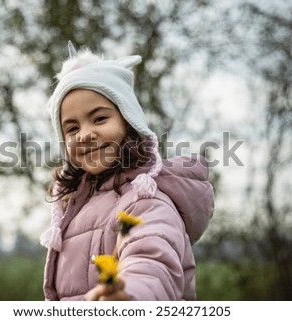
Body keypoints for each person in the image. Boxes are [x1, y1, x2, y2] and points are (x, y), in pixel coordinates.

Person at [40, 41, 214, 301]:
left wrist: (129, 297)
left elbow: (152, 266)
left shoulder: (145, 202)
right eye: (72, 129)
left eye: (100, 118)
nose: (86, 134)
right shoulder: (76, 206)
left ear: (129, 123)